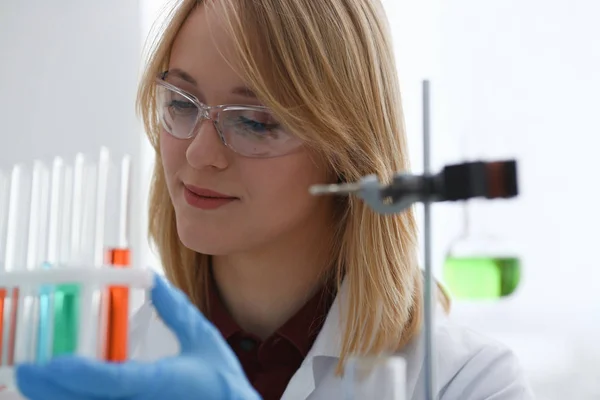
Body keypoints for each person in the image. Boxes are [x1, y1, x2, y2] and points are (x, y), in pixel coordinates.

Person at [11, 0, 535, 399]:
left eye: (255, 121)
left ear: (347, 152)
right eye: (181, 102)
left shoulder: (466, 381)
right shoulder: (101, 353)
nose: (199, 153)